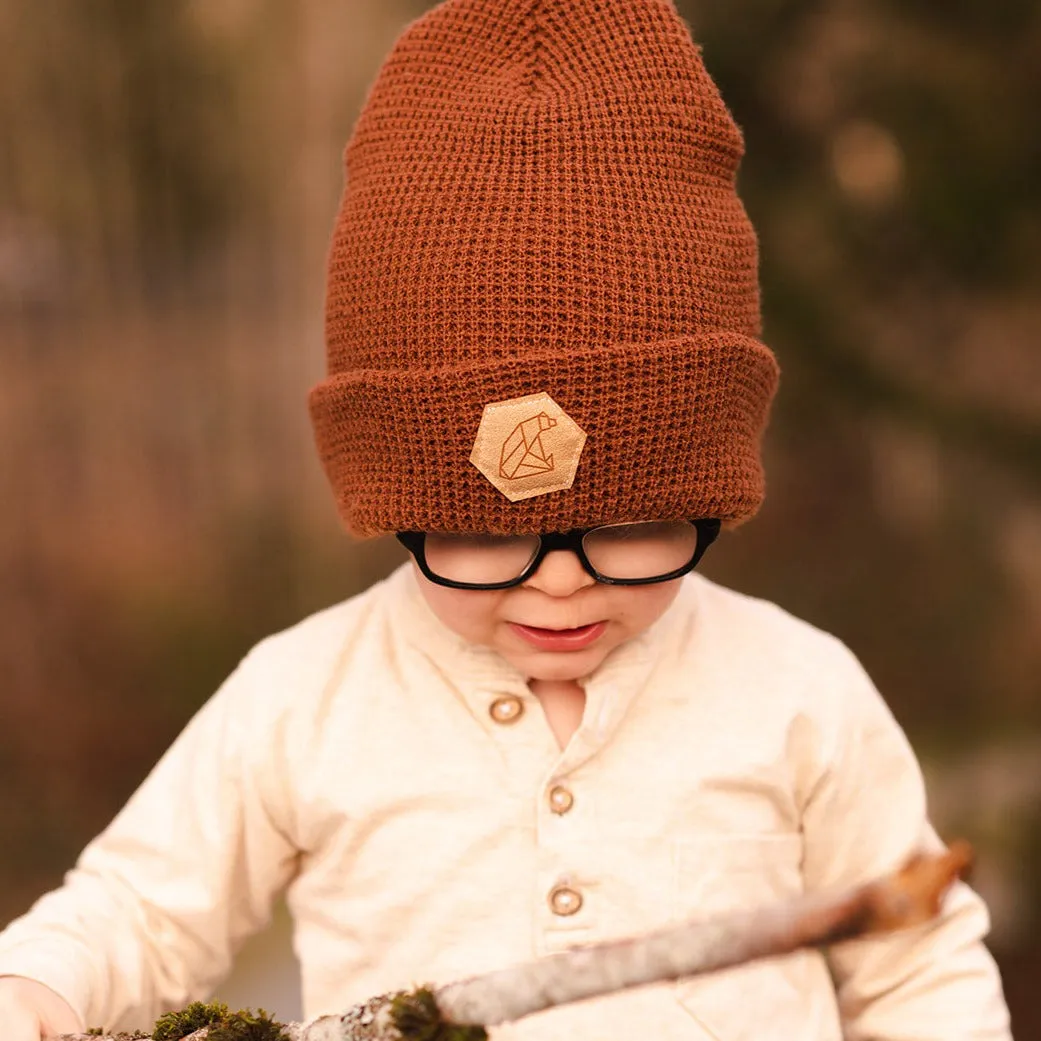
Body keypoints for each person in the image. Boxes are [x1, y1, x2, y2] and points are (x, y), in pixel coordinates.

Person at [0, 1, 1013, 1038]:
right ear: (399, 505)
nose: (561, 580)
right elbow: (134, 909)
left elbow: (920, 965)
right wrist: (37, 988)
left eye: (629, 524)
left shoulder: (797, 692)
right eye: (487, 531)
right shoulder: (306, 701)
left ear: (708, 493)